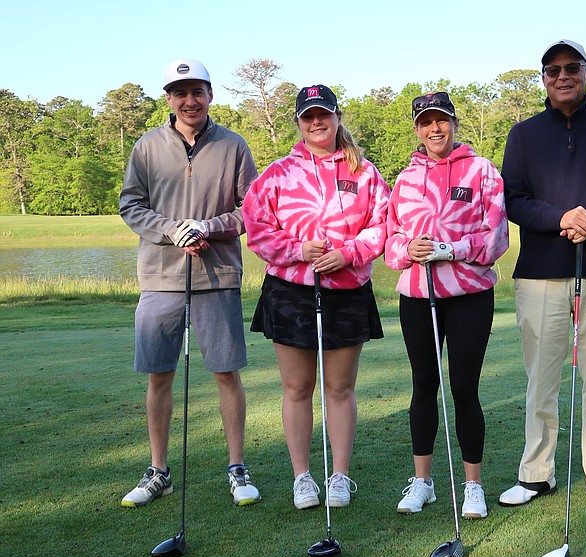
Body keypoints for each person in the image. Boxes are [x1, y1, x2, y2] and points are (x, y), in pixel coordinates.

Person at [499, 40, 586, 510]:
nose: (563, 76)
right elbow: (514, 199)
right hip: (541, 273)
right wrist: (563, 218)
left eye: (571, 68)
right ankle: (536, 473)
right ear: (543, 78)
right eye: (553, 69)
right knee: (541, 379)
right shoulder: (523, 134)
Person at [119, 59, 261, 508]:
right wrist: (171, 230)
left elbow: (250, 210)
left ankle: (237, 468)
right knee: (159, 375)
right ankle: (158, 471)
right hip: (160, 276)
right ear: (169, 99)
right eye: (180, 92)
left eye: (196, 91)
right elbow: (131, 205)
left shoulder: (234, 145)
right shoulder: (146, 146)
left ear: (210, 95)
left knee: (225, 373)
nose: (189, 100)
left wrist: (207, 226)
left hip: (216, 276)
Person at [242, 84, 389, 510]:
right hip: (290, 291)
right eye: (308, 116)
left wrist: (349, 253)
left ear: (338, 116)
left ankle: (340, 476)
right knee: (296, 386)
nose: (317, 122)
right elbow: (257, 227)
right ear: (299, 123)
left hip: (347, 289)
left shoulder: (365, 173)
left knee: (340, 389)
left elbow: (381, 226)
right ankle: (302, 477)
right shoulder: (278, 172)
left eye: (323, 114)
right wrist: (297, 251)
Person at [384, 92, 509, 519]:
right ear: (417, 129)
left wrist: (449, 249)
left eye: (441, 120)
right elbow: (391, 242)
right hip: (418, 296)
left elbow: (496, 238)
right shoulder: (404, 179)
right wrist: (410, 247)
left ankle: (473, 485)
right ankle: (423, 482)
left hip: (470, 295)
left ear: (454, 124)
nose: (434, 128)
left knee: (464, 389)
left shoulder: (482, 170)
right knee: (424, 386)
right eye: (425, 122)